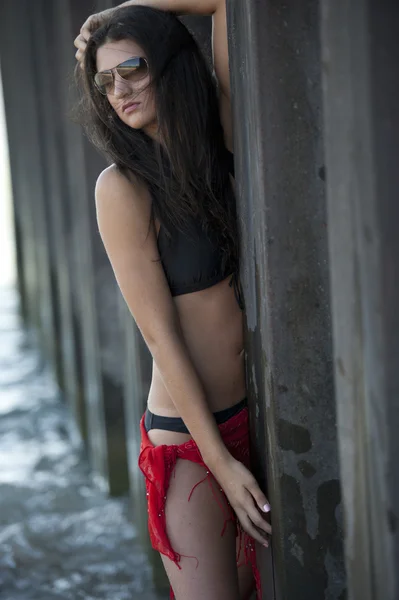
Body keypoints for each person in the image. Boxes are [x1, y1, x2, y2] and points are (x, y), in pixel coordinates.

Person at [74, 2, 271, 599]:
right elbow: (160, 337)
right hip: (188, 442)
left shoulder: (221, 139)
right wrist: (220, 462)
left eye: (132, 68)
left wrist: (118, 11)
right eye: (106, 80)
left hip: (258, 418)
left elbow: (221, 3)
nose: (120, 90)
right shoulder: (123, 187)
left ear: (168, 61)